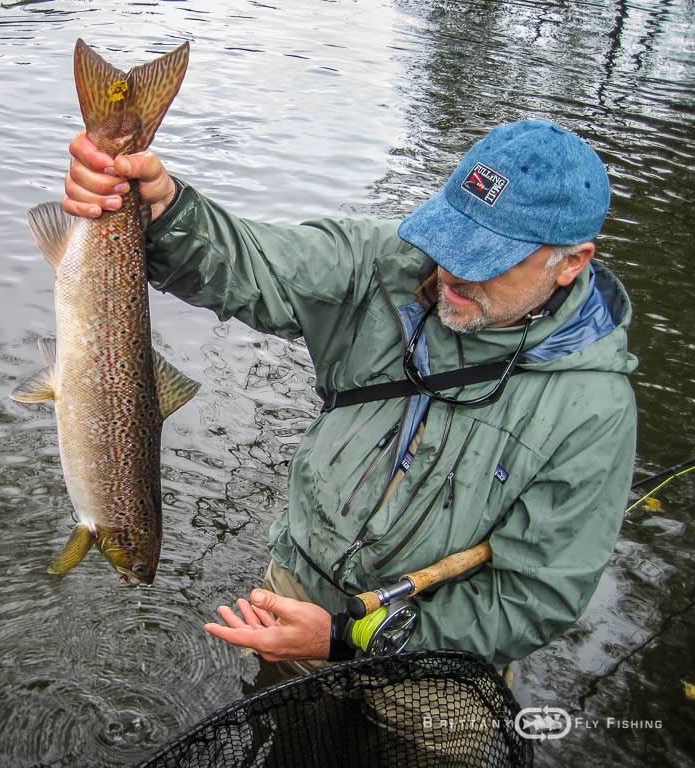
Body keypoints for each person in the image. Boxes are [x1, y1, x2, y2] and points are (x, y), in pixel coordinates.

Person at [62, 119, 637, 679]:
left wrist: (348, 637)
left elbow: (532, 601)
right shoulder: (382, 264)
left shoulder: (594, 411)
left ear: (571, 263)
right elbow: (256, 263)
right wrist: (164, 213)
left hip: (436, 656)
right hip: (295, 589)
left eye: (488, 257)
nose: (453, 272)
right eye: (451, 237)